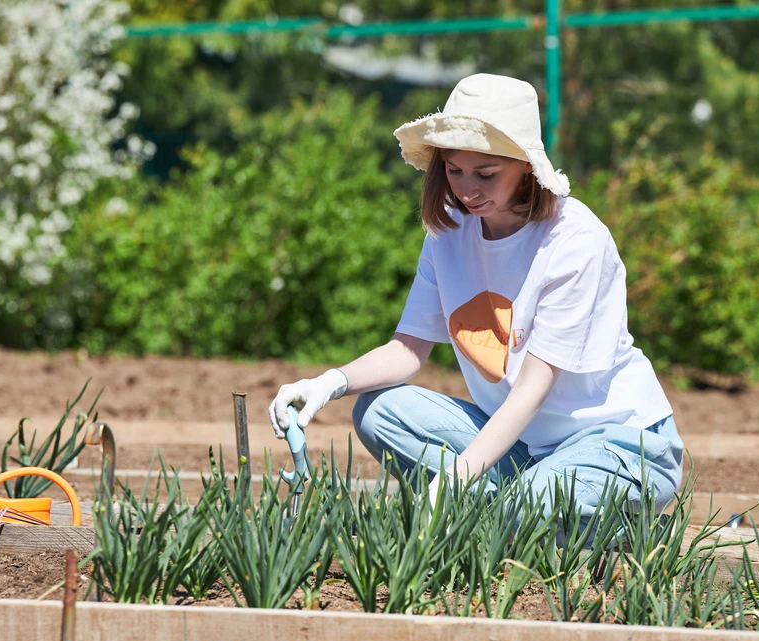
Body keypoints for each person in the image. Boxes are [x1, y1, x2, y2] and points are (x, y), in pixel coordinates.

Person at [268, 73, 682, 521]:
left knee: (522, 509)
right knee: (380, 410)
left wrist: (454, 480)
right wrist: (328, 383)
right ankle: (511, 510)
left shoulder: (574, 240)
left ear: (525, 164)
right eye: (454, 170)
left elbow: (531, 391)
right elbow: (407, 350)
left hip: (617, 442)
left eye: (486, 174)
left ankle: (606, 522)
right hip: (522, 446)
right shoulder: (449, 228)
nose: (466, 191)